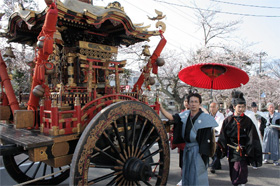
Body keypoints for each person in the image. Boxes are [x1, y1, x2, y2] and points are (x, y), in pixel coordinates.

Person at [161, 93, 218, 186]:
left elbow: (206, 139)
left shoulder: (205, 118)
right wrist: (161, 108)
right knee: (186, 173)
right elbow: (172, 118)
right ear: (188, 103)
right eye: (191, 101)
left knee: (197, 175)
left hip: (198, 151)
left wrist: (204, 154)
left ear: (200, 103)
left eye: (196, 102)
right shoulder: (185, 115)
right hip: (187, 149)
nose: (193, 104)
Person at [217, 91, 262, 186]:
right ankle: (236, 183)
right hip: (232, 150)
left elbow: (252, 137)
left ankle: (240, 183)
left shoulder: (248, 121)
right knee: (233, 169)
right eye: (239, 107)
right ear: (234, 107)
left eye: (243, 107)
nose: (241, 109)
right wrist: (220, 148)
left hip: (243, 150)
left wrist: (250, 149)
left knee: (241, 169)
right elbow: (223, 136)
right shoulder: (228, 120)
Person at [209, 102, 225, 173]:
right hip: (210, 136)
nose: (212, 109)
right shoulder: (208, 115)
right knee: (212, 152)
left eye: (213, 107)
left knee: (216, 152)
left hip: (217, 136)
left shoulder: (220, 115)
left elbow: (221, 125)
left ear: (217, 108)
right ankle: (217, 165)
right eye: (211, 107)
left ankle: (213, 166)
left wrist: (215, 129)